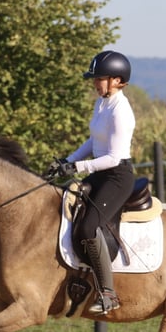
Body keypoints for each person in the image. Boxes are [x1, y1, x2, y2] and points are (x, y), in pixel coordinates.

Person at [46, 50, 136, 314]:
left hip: (117, 176)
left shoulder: (122, 112)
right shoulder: (102, 104)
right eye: (95, 79)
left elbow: (113, 157)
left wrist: (76, 166)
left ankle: (108, 293)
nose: (96, 84)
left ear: (118, 80)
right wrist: (67, 159)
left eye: (101, 79)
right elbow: (93, 141)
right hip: (99, 171)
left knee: (88, 227)